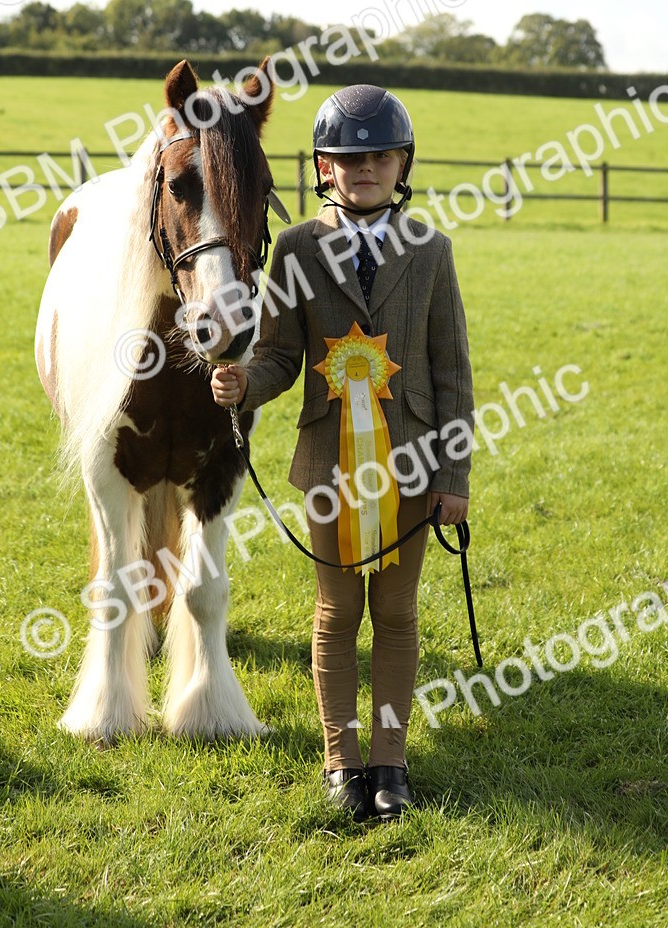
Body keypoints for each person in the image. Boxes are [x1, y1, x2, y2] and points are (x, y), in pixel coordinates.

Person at [211, 85, 474, 821]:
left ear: (402, 165)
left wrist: (453, 475)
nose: (364, 169)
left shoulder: (432, 252)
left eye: (379, 157)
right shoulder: (296, 249)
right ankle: (340, 760)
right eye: (348, 159)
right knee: (336, 612)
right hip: (329, 466)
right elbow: (280, 357)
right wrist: (243, 386)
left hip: (413, 467)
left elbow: (452, 373)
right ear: (324, 168)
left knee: (395, 613)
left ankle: (390, 762)